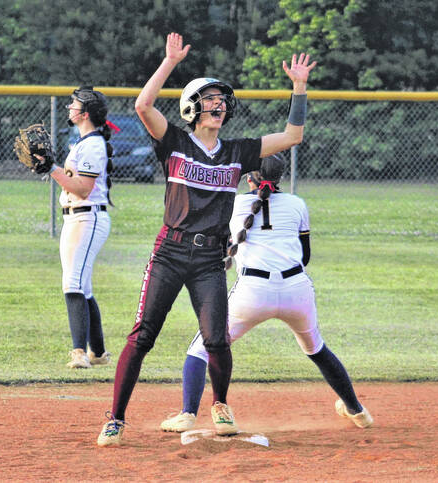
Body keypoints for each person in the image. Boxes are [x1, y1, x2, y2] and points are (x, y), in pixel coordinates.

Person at [96, 32, 316, 446]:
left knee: (216, 337)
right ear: (193, 108)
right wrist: (169, 62)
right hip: (171, 251)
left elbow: (291, 137)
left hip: (210, 259)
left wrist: (299, 88)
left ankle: (220, 404)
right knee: (143, 334)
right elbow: (143, 106)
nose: (219, 106)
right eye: (210, 100)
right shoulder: (175, 143)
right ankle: (116, 418)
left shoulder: (237, 151)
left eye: (222, 101)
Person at [159, 154, 373, 432]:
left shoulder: (233, 204)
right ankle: (357, 411)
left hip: (253, 291)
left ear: (248, 177)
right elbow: (304, 256)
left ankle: (189, 413)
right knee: (317, 349)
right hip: (296, 289)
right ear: (280, 177)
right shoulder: (297, 204)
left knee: (201, 349)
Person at [47, 86, 116, 369]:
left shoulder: (92, 144)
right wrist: (49, 166)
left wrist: (51, 168)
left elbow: (84, 189)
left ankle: (79, 353)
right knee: (82, 287)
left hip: (87, 217)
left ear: (85, 113)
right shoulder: (84, 142)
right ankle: (98, 353)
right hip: (77, 217)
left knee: (72, 283)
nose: (69, 108)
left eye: (73, 105)